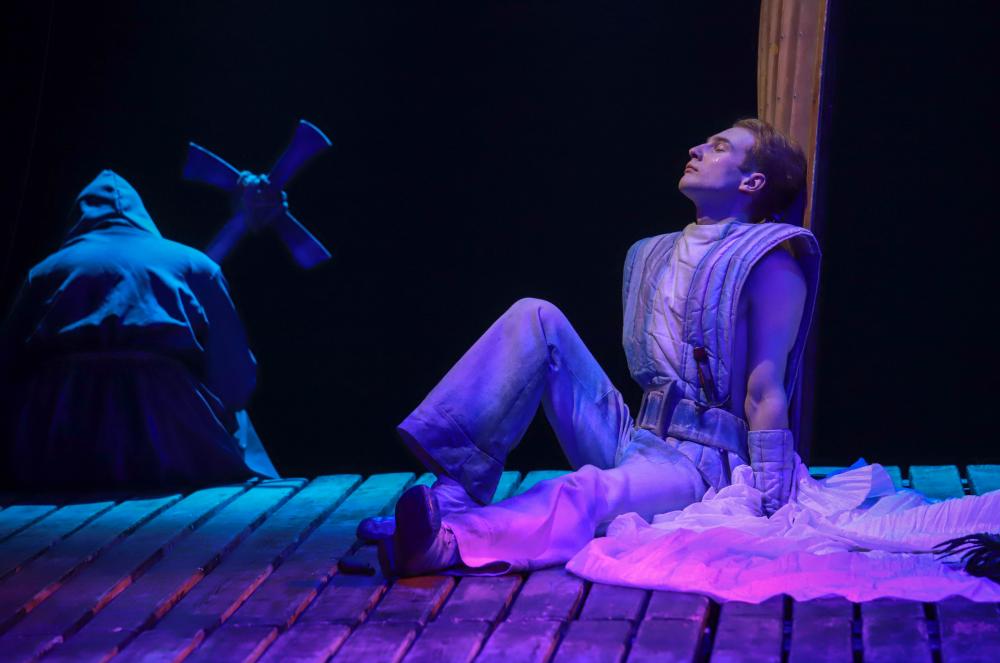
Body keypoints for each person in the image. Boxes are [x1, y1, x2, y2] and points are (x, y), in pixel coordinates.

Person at [368, 118, 822, 577]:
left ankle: (450, 541)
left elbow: (764, 391)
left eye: (719, 147)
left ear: (752, 182)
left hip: (700, 467)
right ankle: (455, 494)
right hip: (638, 437)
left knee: (585, 490)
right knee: (535, 315)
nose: (697, 149)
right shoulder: (656, 252)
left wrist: (772, 502)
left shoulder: (771, 268)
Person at [0, 170, 278, 489]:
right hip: (169, 433)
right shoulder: (195, 264)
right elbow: (235, 380)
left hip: (62, 433)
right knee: (239, 423)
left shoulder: (44, 272)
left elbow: (7, 367)